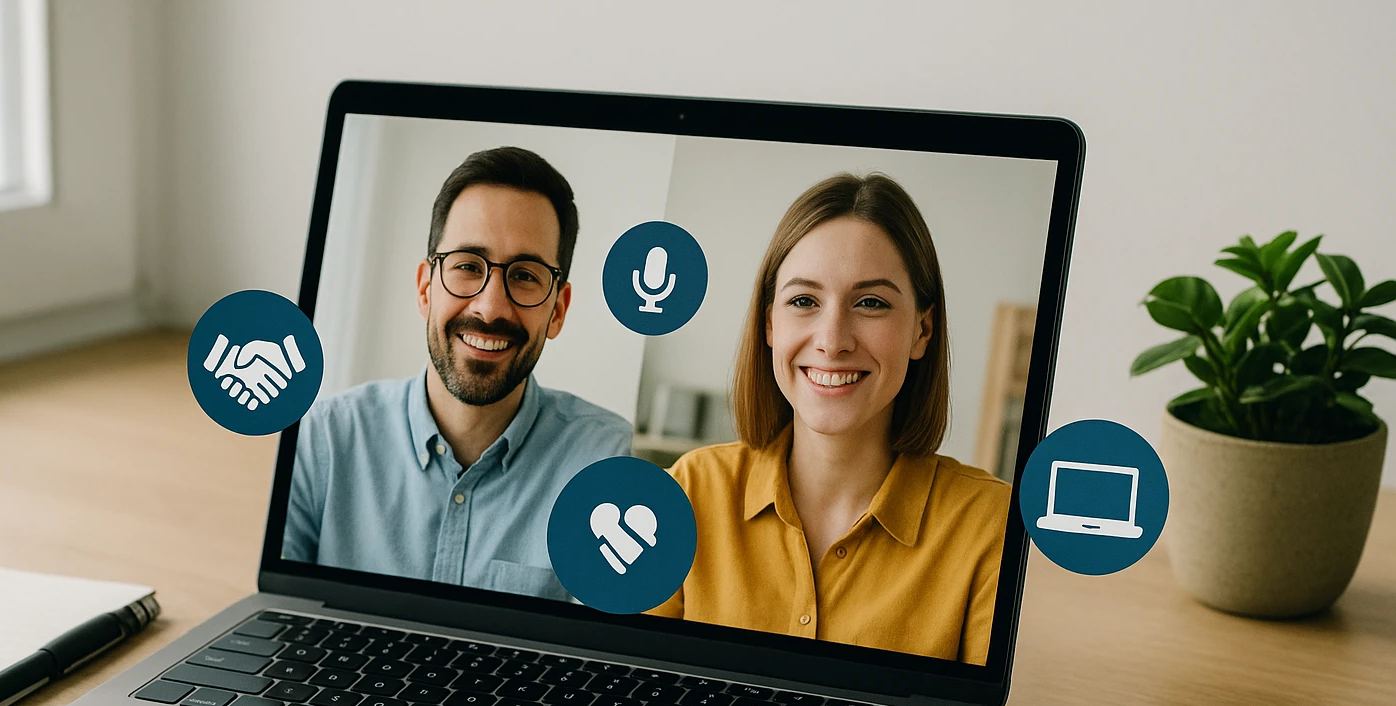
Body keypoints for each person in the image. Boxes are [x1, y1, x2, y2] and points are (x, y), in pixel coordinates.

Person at [649, 173, 1010, 664]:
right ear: (770, 323)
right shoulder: (689, 492)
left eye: (871, 303)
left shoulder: (991, 525)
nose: (832, 338)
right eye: (803, 301)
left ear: (922, 331)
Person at [284, 147, 632, 600]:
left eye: (525, 275)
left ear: (558, 311)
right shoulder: (323, 439)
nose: (490, 308)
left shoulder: (607, 462)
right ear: (426, 288)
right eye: (468, 266)